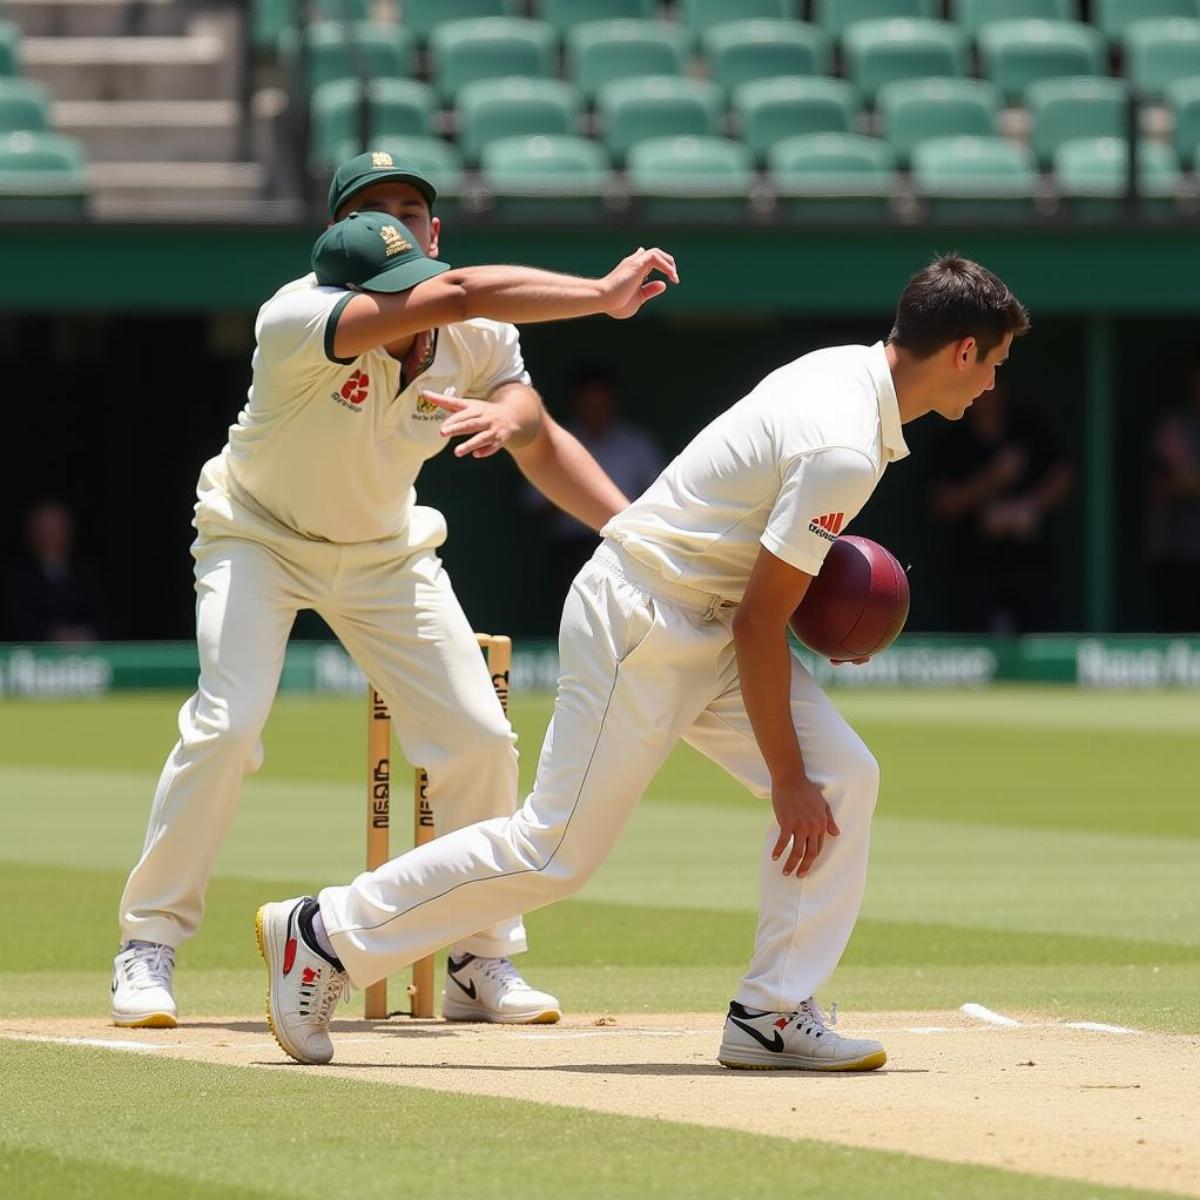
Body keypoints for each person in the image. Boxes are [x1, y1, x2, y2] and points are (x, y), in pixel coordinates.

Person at [255, 255, 1029, 1069]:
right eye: (995, 366)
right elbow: (763, 623)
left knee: (846, 777)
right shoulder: (843, 443)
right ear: (964, 350)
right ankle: (323, 932)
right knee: (555, 852)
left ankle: (769, 1012)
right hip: (645, 617)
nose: (991, 388)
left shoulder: (844, 374)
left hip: (708, 614)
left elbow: (756, 582)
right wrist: (784, 774)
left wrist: (821, 650)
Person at [111, 149, 678, 1029]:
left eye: (411, 209)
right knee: (228, 727)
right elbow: (456, 296)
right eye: (373, 210)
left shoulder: (478, 332)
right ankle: (148, 944)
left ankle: (477, 958)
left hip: (385, 551)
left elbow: (530, 418)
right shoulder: (298, 316)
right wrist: (602, 298)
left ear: (435, 229)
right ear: (337, 241)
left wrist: (634, 534)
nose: (396, 222)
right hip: (256, 534)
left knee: (480, 739)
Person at [929, 378, 1073, 633]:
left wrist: (1029, 506)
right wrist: (991, 480)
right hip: (974, 565)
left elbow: (1064, 475)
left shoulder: (1027, 430)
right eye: (980, 388)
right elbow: (942, 502)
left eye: (993, 385)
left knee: (1040, 631)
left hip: (1030, 563)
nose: (987, 394)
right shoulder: (956, 440)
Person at [529, 368, 664, 601]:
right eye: (589, 405)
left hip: (628, 544)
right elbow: (535, 504)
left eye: (601, 405)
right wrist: (575, 498)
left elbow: (659, 495)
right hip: (572, 548)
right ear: (577, 404)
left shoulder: (635, 442)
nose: (596, 412)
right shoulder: (557, 440)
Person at [2, 500, 105, 642]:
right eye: (44, 530)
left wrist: (83, 634)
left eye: (57, 529)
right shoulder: (14, 576)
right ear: (31, 533)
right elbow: (13, 620)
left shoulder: (88, 573)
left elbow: (104, 616)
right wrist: (51, 635)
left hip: (87, 657)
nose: (51, 536)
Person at [1148, 357, 1200, 631]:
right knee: (1179, 635)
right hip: (1179, 554)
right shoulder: (1175, 424)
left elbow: (1189, 481)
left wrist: (1190, 477)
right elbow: (1157, 486)